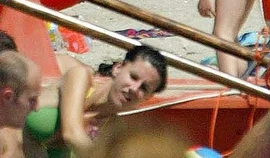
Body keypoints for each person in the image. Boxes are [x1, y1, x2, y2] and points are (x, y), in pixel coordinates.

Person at [25, 46, 167, 158]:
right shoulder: (81, 76)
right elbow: (71, 133)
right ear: (118, 68)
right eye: (133, 77)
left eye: (144, 88)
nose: (134, 89)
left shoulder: (113, 129)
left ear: (147, 98)